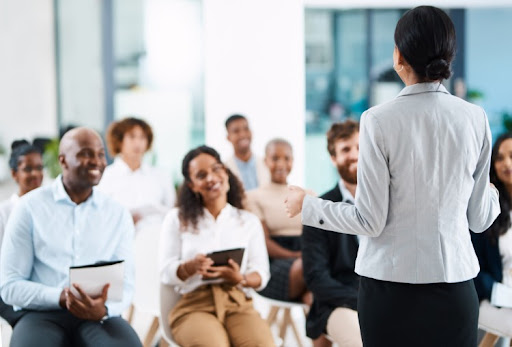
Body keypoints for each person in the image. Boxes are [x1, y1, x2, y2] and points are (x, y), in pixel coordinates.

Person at [285, 6, 500, 346]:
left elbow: (369, 220)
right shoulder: (475, 118)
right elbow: (479, 219)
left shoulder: (378, 120)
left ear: (399, 56)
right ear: (449, 55)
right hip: (455, 290)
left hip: (389, 292)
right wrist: (492, 193)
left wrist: (308, 205)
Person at [0, 127, 141, 347]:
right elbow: (10, 286)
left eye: (100, 154)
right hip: (42, 313)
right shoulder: (29, 207)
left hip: (98, 314)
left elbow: (127, 284)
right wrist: (61, 296)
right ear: (63, 160)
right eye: (86, 153)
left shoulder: (117, 213)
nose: (96, 161)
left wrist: (104, 309)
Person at [159, 145, 274, 347]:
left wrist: (241, 278)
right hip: (194, 305)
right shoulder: (177, 219)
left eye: (216, 169)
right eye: (201, 175)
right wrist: (189, 267)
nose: (211, 178)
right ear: (192, 185)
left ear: (226, 173)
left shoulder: (247, 221)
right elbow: (165, 272)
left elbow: (261, 272)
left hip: (237, 302)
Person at [302, 120, 362, 347]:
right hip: (337, 304)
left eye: (359, 147)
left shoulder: (390, 202)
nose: (355, 155)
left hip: (386, 301)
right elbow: (316, 277)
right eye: (345, 149)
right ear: (333, 158)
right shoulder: (318, 209)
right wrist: (360, 301)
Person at [246, 139, 311, 303]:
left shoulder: (307, 194)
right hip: (275, 263)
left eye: (287, 158)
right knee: (309, 267)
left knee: (312, 297)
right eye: (275, 158)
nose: (281, 164)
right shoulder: (253, 197)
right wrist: (296, 255)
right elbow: (263, 242)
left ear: (293, 161)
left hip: (306, 255)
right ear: (265, 161)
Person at [98, 117, 176, 230]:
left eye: (142, 137)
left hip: (155, 241)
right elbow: (100, 217)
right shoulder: (105, 177)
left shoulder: (161, 176)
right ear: (120, 141)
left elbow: (171, 214)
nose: (138, 143)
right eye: (132, 137)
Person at [472, 133, 512, 337]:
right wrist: (499, 292)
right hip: (495, 296)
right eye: (499, 158)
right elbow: (475, 266)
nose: (507, 163)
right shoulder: (488, 208)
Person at [0, 140, 44, 326]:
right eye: (28, 169)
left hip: (46, 289)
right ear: (14, 174)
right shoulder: (4, 212)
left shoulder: (51, 210)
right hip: (11, 293)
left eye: (39, 167)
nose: (35, 174)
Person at [224, 114, 270, 191]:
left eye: (246, 129)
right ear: (228, 137)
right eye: (236, 131)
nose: (242, 134)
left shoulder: (267, 163)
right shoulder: (225, 169)